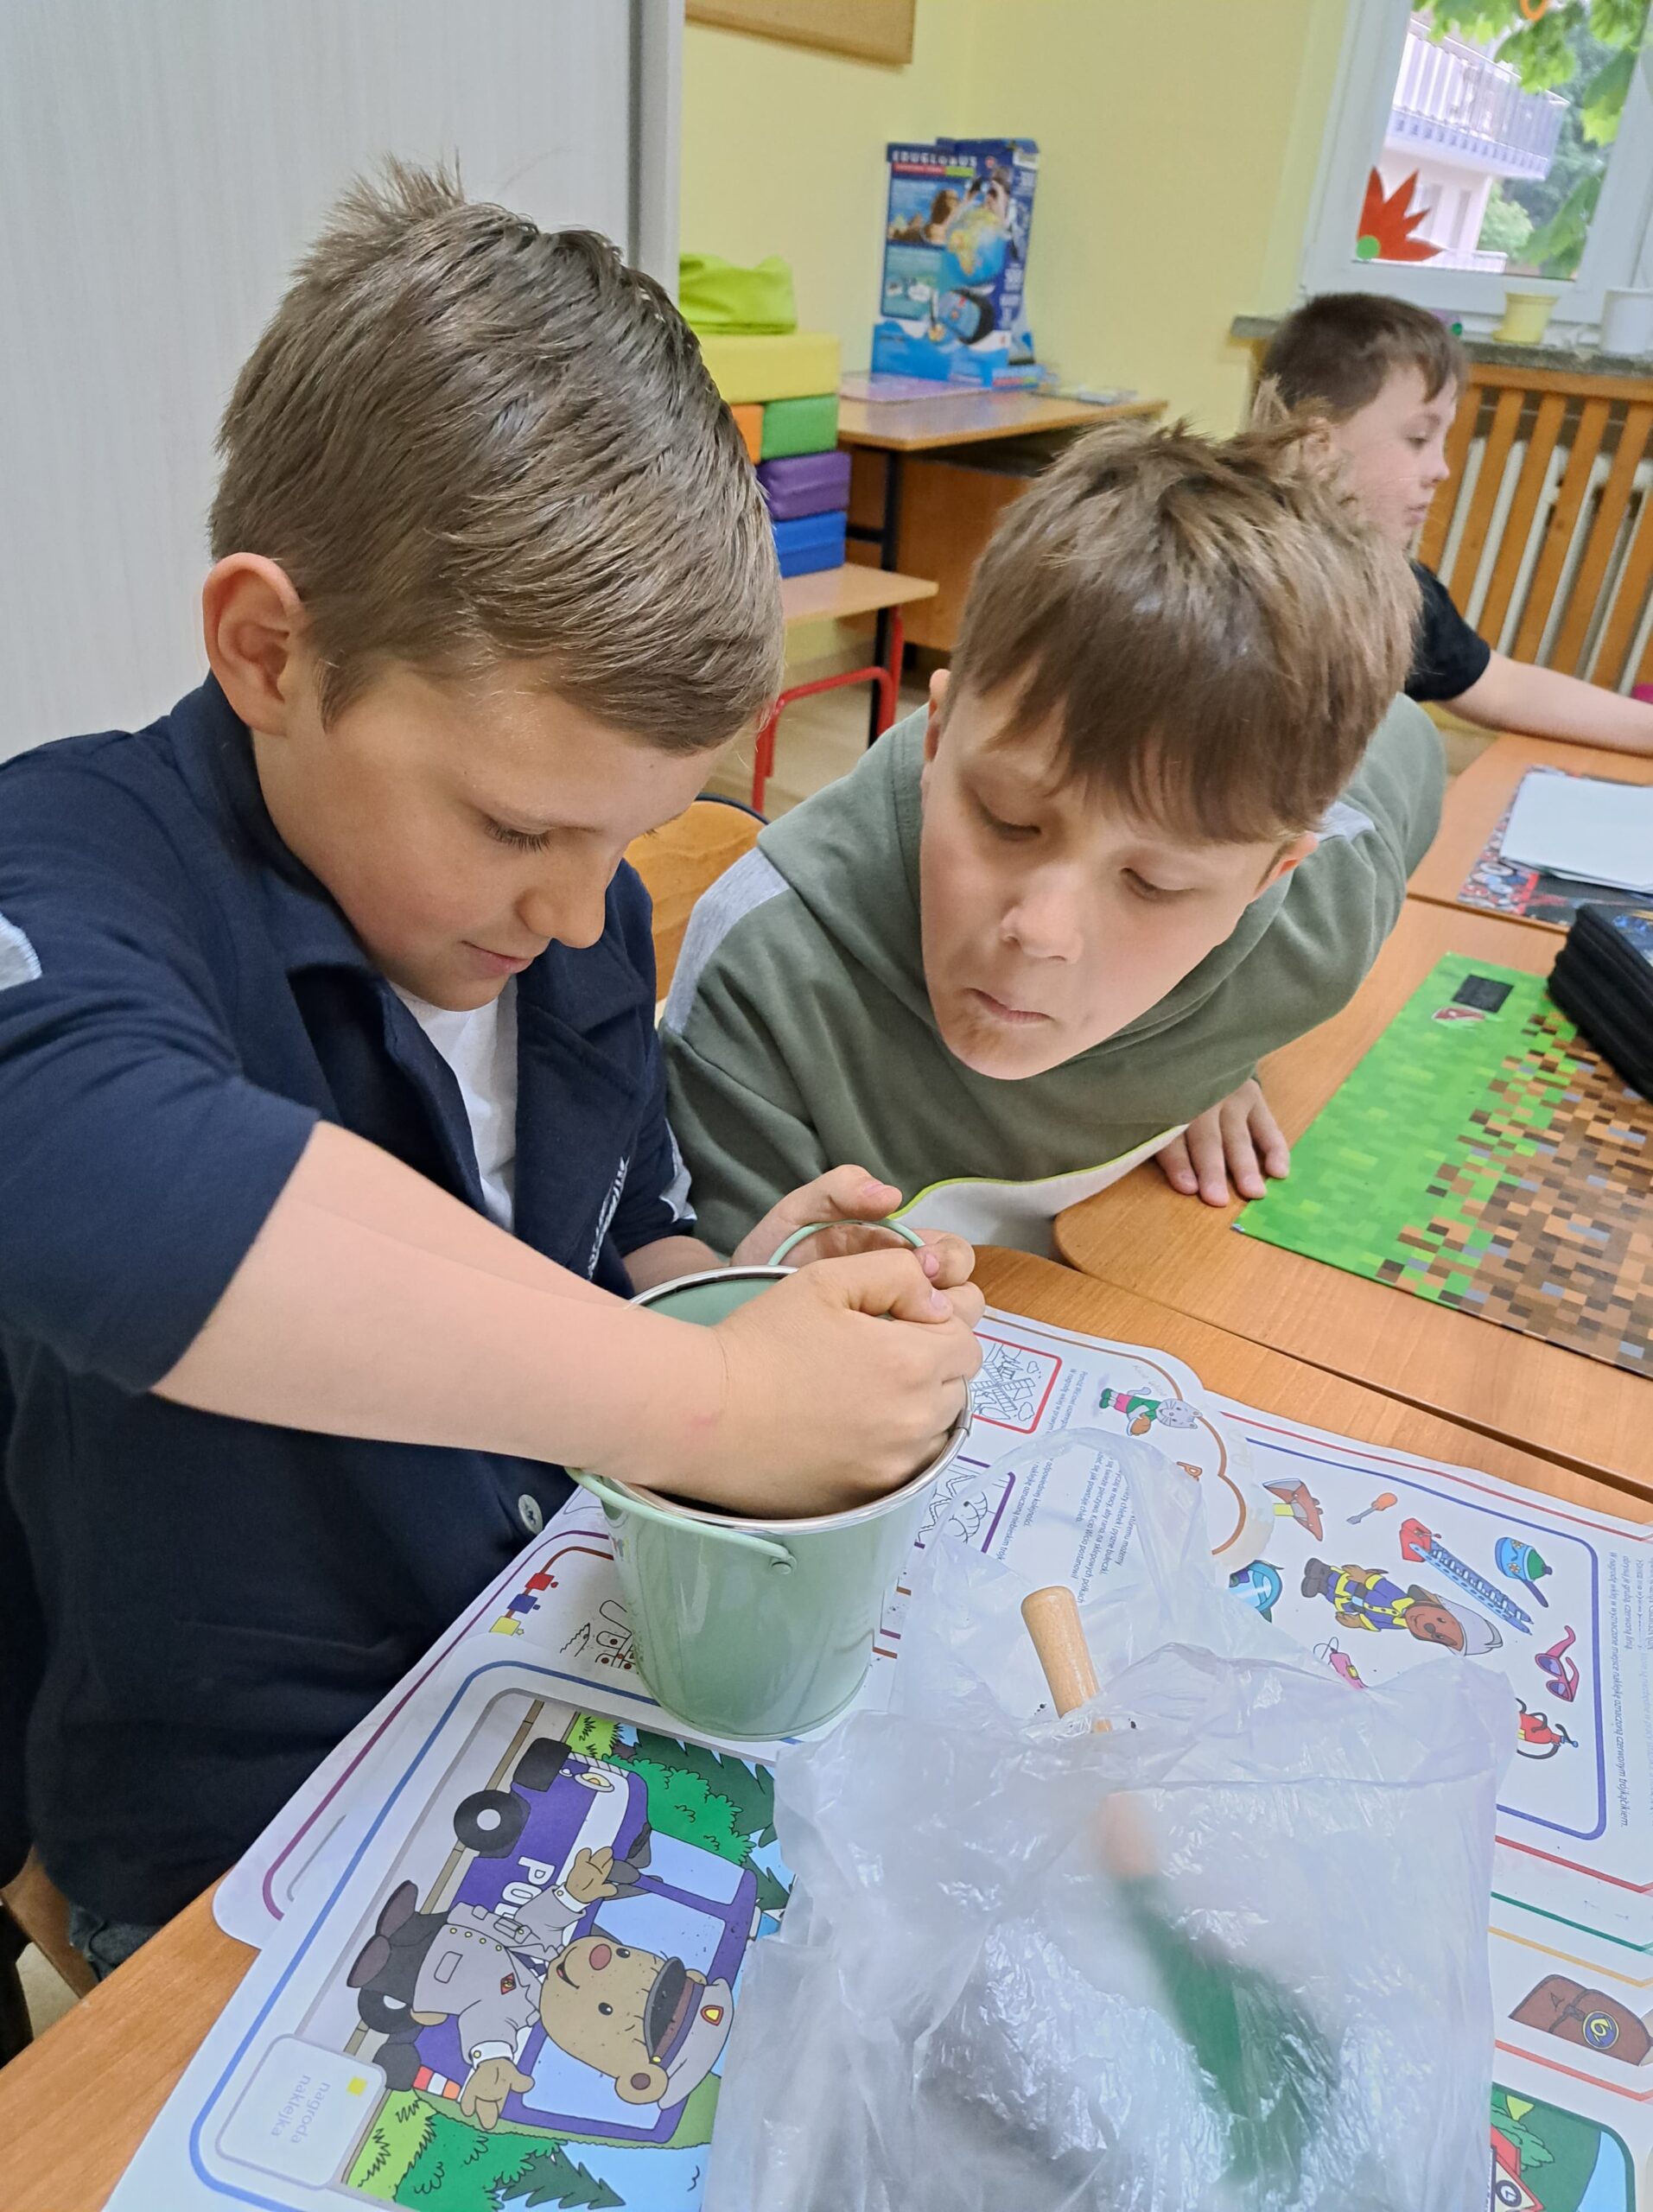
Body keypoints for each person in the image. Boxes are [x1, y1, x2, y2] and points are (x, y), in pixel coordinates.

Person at [0, 164, 982, 1973]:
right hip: (245, 1824)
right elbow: (89, 1172)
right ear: (270, 650)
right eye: (517, 824)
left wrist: (728, 1302)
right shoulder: (77, 855)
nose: (580, 905)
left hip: (544, 1664)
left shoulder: (563, 920)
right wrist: (712, 1401)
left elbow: (616, 1232)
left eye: (630, 835)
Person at [664, 418, 1440, 1245]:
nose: (1040, 931)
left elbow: (1407, 741)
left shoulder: (1325, 915)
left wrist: (1223, 1058)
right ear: (934, 739)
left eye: (1154, 884)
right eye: (1006, 820)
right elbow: (720, 1292)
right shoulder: (767, 973)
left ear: (1269, 879)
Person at [1260, 290, 1653, 758]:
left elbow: (1502, 688)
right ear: (1314, 446)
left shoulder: (1395, 588)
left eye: (1440, 440)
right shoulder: (1221, 576)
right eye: (1418, 438)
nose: (1441, 469)